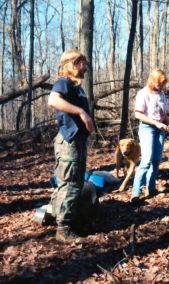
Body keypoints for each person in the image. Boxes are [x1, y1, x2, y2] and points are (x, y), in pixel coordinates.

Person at [47, 49, 94, 242]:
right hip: (68, 141)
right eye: (84, 63)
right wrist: (82, 113)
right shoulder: (64, 82)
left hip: (77, 141)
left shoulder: (77, 87)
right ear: (75, 63)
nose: (86, 67)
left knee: (76, 182)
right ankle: (63, 230)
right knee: (70, 184)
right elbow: (53, 100)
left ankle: (65, 220)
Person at [131, 69, 169, 204]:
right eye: (158, 83)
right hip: (147, 128)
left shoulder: (161, 94)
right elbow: (138, 114)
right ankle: (135, 193)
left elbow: (163, 115)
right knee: (146, 160)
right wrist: (156, 123)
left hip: (160, 129)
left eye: (162, 84)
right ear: (152, 80)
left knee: (156, 160)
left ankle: (151, 188)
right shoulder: (143, 93)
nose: (160, 86)